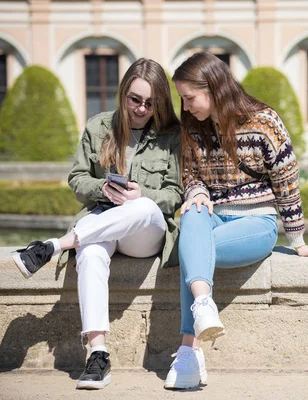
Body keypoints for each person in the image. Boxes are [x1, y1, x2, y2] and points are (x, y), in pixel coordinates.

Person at [164, 52, 308, 390]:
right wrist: (197, 192)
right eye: (182, 99)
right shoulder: (193, 127)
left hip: (256, 223)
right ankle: (203, 307)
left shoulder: (264, 121)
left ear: (213, 88)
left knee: (193, 250)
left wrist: (298, 241)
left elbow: (286, 180)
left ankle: (189, 352)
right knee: (194, 216)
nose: (185, 108)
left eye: (189, 98)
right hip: (212, 217)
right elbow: (189, 174)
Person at [11, 58, 182, 390]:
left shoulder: (170, 135)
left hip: (145, 232)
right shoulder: (98, 126)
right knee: (89, 253)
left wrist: (139, 194)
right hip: (103, 220)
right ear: (123, 94)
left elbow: (175, 193)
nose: (142, 109)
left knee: (144, 206)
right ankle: (97, 354)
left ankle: (54, 245)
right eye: (135, 100)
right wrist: (101, 188)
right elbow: (77, 179)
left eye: (151, 103)